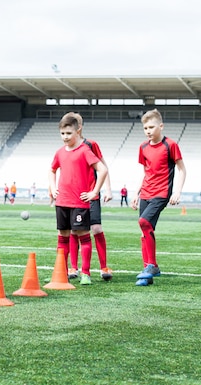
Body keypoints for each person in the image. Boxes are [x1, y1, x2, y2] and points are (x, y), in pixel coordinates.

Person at [49, 113, 108, 286]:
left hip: (79, 202)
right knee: (63, 236)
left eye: (68, 133)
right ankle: (63, 271)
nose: (65, 137)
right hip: (62, 202)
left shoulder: (85, 150)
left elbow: (103, 169)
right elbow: (51, 170)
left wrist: (94, 192)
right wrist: (53, 187)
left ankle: (86, 273)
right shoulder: (59, 153)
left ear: (78, 132)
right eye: (62, 134)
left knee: (83, 235)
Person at [130, 109, 186, 286]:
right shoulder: (143, 147)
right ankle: (147, 272)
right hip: (146, 192)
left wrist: (177, 191)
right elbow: (144, 172)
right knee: (144, 231)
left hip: (162, 193)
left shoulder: (170, 145)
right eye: (145, 127)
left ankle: (152, 265)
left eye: (151, 127)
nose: (148, 130)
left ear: (160, 126)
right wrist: (136, 193)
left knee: (144, 222)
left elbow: (182, 169)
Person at [66, 112, 114, 282]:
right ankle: (74, 267)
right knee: (74, 230)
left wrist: (107, 189)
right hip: (72, 196)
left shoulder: (91, 145)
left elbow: (103, 166)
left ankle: (103, 267)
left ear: (79, 127)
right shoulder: (67, 147)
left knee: (96, 229)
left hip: (91, 194)